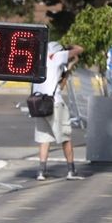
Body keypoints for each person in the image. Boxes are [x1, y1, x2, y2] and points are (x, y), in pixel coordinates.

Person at [34, 42, 87, 181]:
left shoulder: (37, 59)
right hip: (54, 103)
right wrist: (69, 45)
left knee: (44, 138)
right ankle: (71, 170)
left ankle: (41, 172)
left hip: (38, 103)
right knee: (65, 137)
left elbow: (60, 84)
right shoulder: (56, 57)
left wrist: (68, 68)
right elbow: (80, 49)